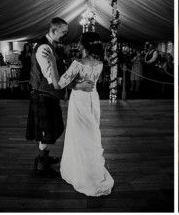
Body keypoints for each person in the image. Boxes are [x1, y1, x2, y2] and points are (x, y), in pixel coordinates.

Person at [26, 18, 93, 178]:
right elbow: (55, 81)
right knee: (47, 133)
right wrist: (77, 85)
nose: (65, 35)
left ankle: (44, 158)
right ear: (54, 31)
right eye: (63, 32)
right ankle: (41, 166)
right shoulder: (44, 48)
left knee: (52, 131)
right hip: (44, 95)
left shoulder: (52, 46)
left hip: (49, 96)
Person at [58, 33, 114, 196]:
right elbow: (93, 82)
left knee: (78, 133)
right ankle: (92, 168)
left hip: (80, 100)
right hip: (93, 100)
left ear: (83, 45)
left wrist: (76, 85)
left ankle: (79, 171)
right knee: (91, 133)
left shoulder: (78, 63)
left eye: (80, 41)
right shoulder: (99, 64)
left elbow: (61, 83)